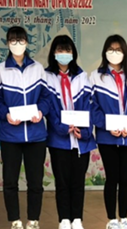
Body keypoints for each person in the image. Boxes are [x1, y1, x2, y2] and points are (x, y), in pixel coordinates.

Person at [90, 35, 127, 229]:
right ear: (105, 52)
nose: (114, 53)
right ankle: (111, 220)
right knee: (112, 178)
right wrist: (108, 125)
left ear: (125, 52)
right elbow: (91, 106)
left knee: (125, 179)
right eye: (111, 49)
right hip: (107, 137)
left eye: (118, 49)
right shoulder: (96, 76)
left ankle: (124, 219)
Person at [0, 26, 49, 229]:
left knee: (35, 182)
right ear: (8, 43)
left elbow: (46, 98)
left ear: (27, 42)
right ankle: (15, 221)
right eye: (13, 41)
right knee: (10, 181)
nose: (17, 44)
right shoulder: (1, 70)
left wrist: (41, 112)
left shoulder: (38, 68)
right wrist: (6, 114)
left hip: (36, 135)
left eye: (21, 40)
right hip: (10, 135)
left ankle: (33, 221)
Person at [43, 35, 95, 229]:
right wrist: (63, 127)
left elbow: (90, 106)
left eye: (67, 50)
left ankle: (77, 219)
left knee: (78, 182)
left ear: (73, 53)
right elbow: (48, 107)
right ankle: (64, 219)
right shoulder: (47, 77)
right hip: (59, 139)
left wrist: (85, 130)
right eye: (60, 50)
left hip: (81, 139)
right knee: (62, 181)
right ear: (53, 53)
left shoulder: (82, 77)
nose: (64, 54)